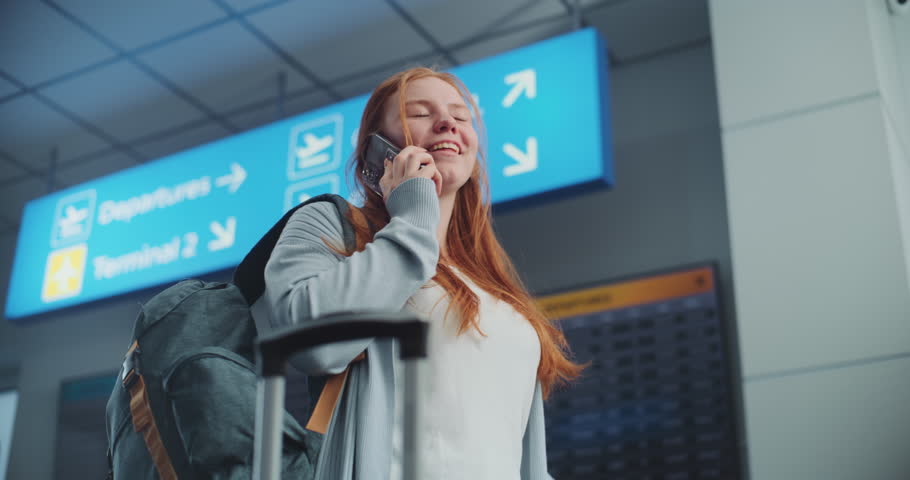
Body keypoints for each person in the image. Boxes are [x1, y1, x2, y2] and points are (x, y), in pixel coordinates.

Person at [251, 67, 582, 480]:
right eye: (420, 113)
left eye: (461, 117)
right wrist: (412, 217)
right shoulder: (332, 227)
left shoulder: (490, 282)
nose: (447, 123)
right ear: (376, 149)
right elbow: (312, 342)